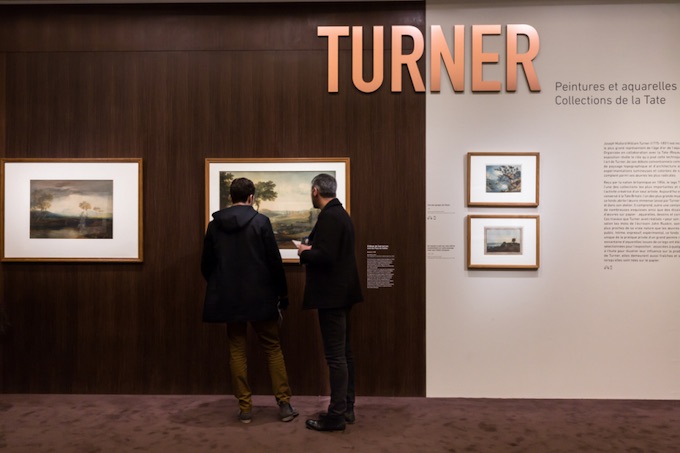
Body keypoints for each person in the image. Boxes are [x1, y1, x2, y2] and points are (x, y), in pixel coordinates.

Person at [201, 177, 298, 424]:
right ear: (252, 197)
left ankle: (245, 408)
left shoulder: (214, 226)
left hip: (229, 298)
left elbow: (206, 265)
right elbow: (274, 263)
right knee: (273, 349)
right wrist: (282, 294)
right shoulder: (261, 222)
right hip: (261, 297)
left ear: (230, 197)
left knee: (237, 351)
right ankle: (284, 405)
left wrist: (222, 286)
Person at [296, 173, 363, 432]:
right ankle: (346, 409)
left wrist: (304, 251)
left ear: (315, 190)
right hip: (342, 295)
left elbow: (325, 257)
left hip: (332, 297)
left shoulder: (330, 216)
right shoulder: (339, 214)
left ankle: (336, 416)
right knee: (344, 354)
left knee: (336, 357)